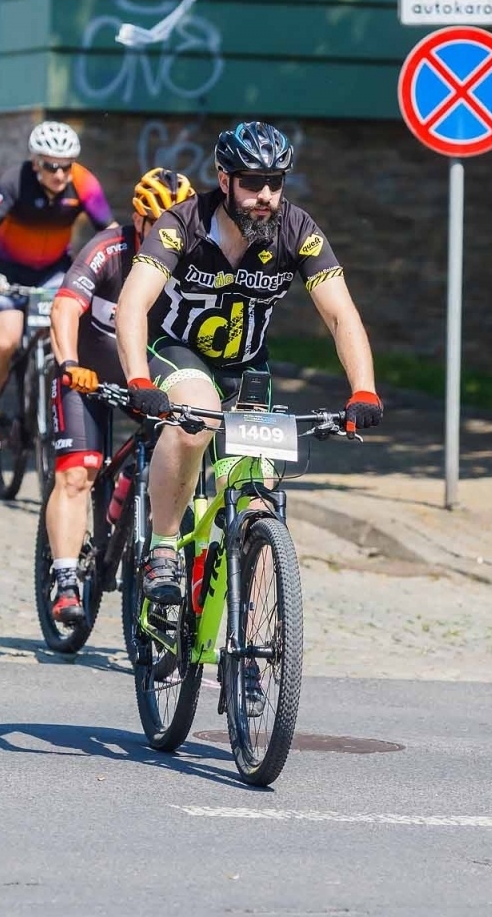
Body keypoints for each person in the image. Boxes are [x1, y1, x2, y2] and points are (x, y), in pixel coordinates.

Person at [114, 121, 383, 605]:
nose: (265, 195)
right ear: (224, 179)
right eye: (252, 183)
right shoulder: (182, 225)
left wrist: (363, 389)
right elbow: (133, 305)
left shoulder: (298, 231)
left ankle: (255, 655)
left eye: (275, 183)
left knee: (257, 500)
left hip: (248, 367)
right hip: (178, 350)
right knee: (195, 421)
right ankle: (165, 548)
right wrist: (137, 378)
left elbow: (341, 315)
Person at [42, 167, 195, 625]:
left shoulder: (191, 262)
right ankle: (66, 579)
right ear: (138, 220)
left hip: (144, 381)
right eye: (157, 226)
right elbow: (66, 306)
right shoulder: (108, 248)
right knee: (78, 474)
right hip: (87, 376)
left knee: (176, 460)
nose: (167, 237)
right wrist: (69, 364)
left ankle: (143, 534)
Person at [0, 121, 115, 450]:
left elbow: (108, 234)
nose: (60, 174)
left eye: (66, 166)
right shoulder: (15, 181)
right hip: (8, 272)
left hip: (53, 269)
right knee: (6, 340)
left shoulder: (83, 182)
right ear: (35, 162)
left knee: (70, 335)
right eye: (51, 166)